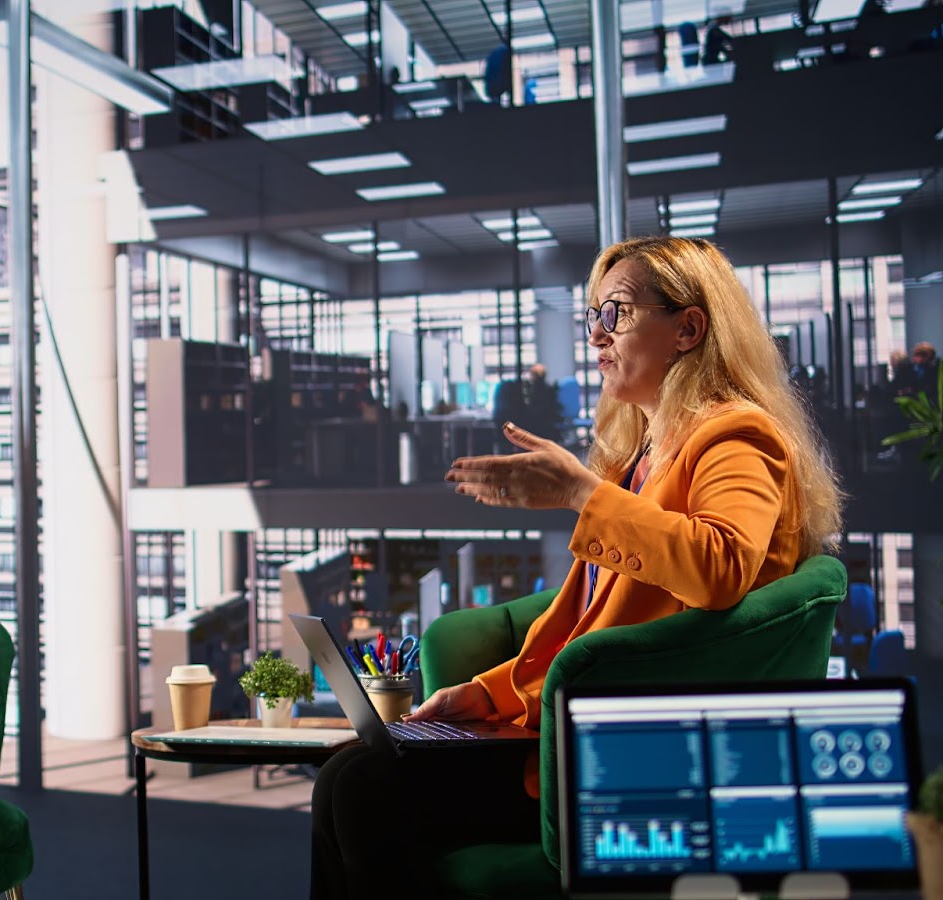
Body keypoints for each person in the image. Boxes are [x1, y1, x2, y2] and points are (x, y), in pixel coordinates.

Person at [309, 237, 844, 900]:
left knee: (358, 790)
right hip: (575, 728)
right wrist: (484, 694)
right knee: (346, 777)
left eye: (616, 312)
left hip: (629, 754)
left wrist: (579, 493)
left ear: (688, 329)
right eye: (592, 314)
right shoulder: (646, 452)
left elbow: (720, 567)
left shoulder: (736, 435)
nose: (595, 335)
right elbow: (593, 622)